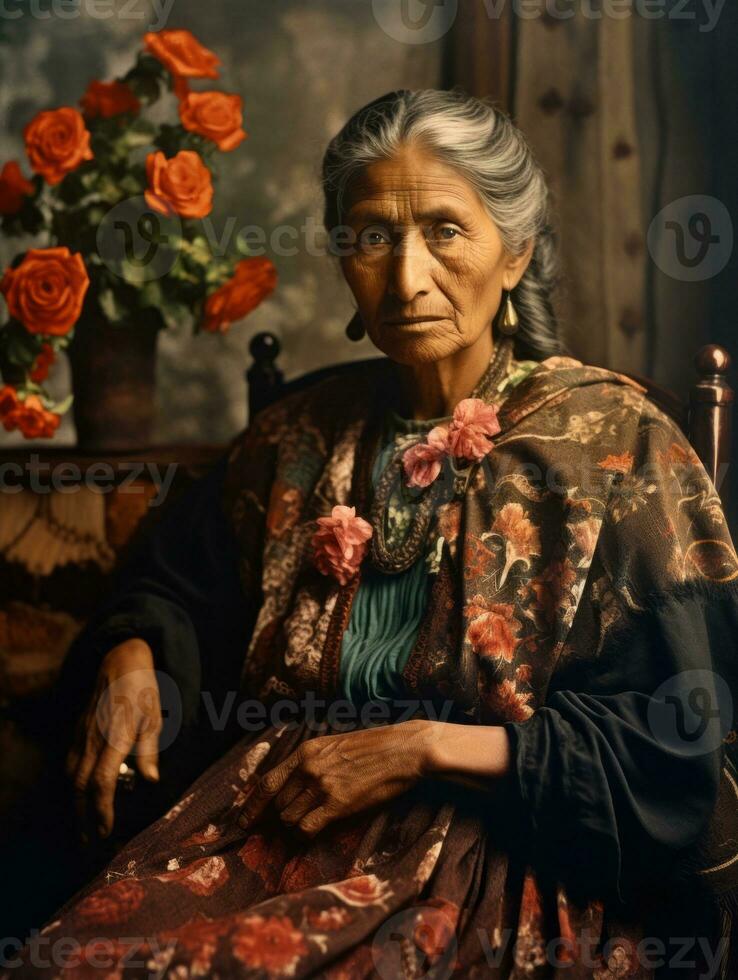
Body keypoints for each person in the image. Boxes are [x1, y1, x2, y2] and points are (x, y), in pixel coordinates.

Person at [5, 88, 738, 980]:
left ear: (517, 254)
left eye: (445, 231)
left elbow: (676, 742)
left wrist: (421, 747)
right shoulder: (298, 433)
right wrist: (129, 655)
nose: (406, 279)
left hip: (490, 866)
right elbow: (174, 588)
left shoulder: (616, 445)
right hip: (260, 833)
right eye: (372, 237)